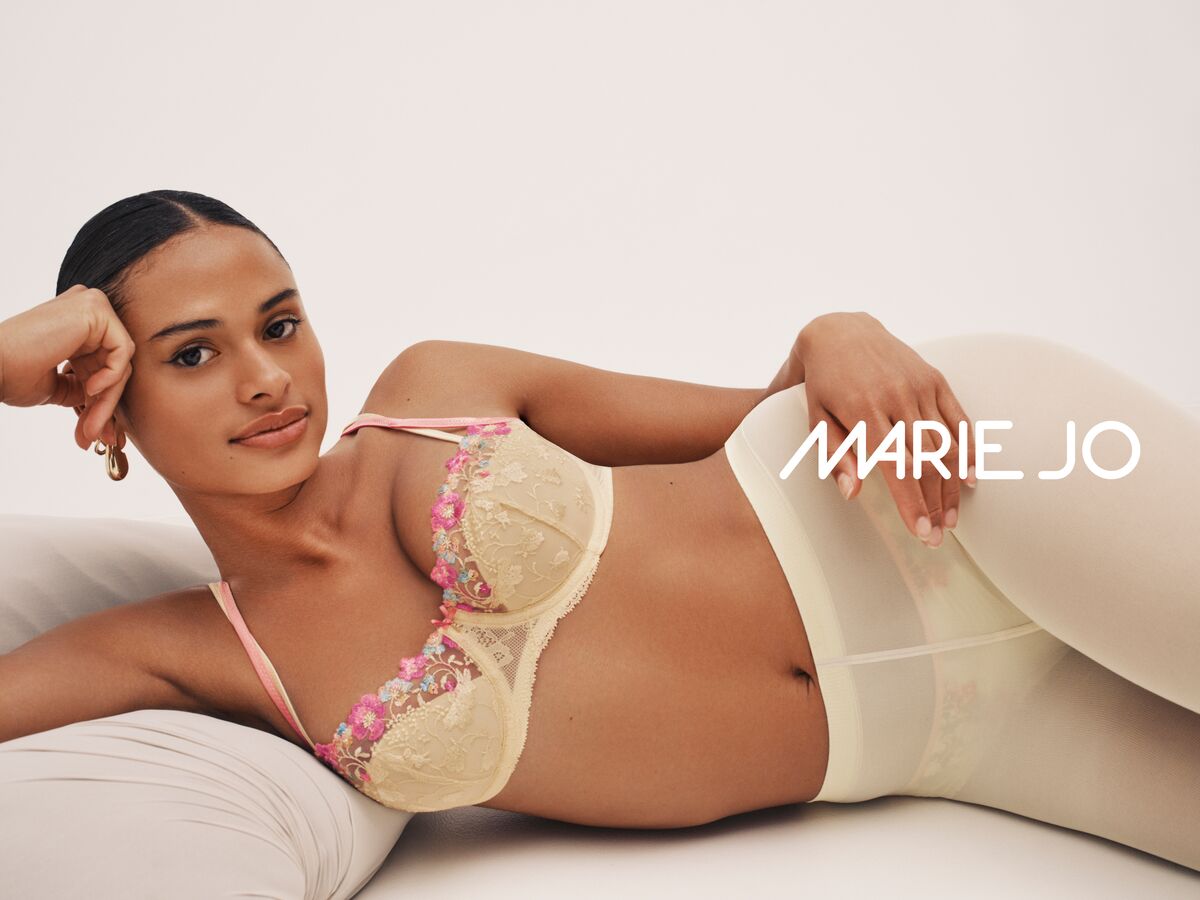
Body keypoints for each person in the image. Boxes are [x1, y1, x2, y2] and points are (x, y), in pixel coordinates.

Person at [0, 190, 1196, 871]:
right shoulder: (194, 651)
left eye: (280, 324)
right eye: (193, 355)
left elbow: (765, 412)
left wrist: (840, 327)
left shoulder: (437, 387)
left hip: (969, 494)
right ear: (104, 405)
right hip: (957, 743)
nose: (267, 378)